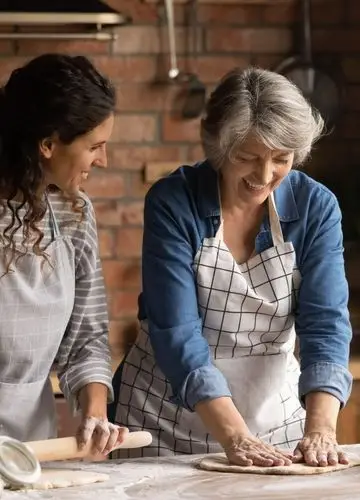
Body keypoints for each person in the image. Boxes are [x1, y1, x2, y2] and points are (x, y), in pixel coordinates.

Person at [111, 67, 352, 467]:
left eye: (282, 159)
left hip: (275, 421)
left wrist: (321, 429)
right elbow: (177, 332)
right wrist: (234, 435)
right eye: (247, 157)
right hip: (163, 418)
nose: (264, 175)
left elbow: (325, 323)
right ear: (219, 149)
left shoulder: (316, 207)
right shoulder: (175, 202)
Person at [0, 53, 128, 455]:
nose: (103, 160)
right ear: (48, 144)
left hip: (31, 446)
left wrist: (96, 413)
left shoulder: (74, 212)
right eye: (95, 146)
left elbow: (87, 336)